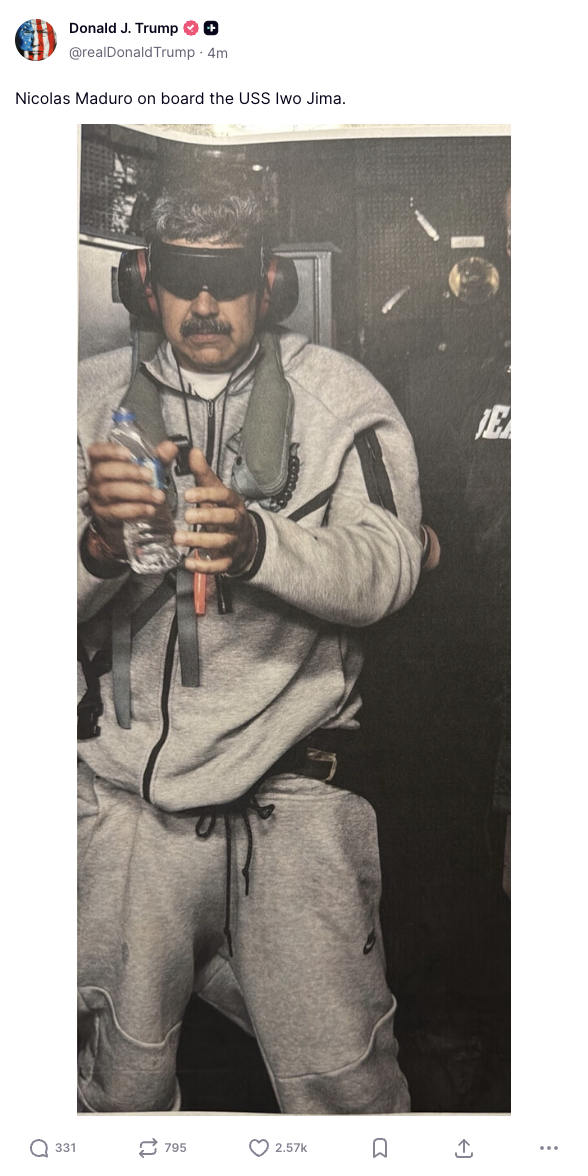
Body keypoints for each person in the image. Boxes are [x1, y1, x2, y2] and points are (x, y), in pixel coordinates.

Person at [77, 185, 423, 1114]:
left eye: (226, 279)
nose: (203, 304)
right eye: (181, 279)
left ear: (268, 285)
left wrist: (261, 544)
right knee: (118, 1091)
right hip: (128, 809)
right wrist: (100, 546)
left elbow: (391, 565)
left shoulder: (344, 398)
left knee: (345, 1092)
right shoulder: (79, 403)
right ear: (144, 282)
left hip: (294, 799)